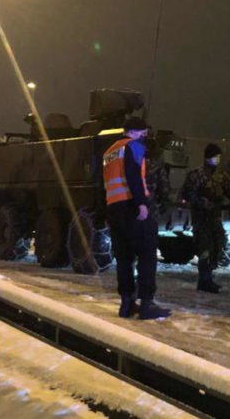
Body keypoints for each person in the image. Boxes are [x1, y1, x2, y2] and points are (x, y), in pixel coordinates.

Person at [103, 117, 170, 320]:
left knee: (124, 258)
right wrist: (141, 203)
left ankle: (126, 304)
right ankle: (147, 303)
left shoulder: (110, 151)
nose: (145, 137)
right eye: (144, 133)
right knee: (147, 253)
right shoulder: (134, 146)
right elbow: (133, 175)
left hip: (114, 207)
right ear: (137, 132)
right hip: (132, 206)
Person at [181, 143, 230, 293]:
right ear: (208, 157)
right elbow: (187, 194)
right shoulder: (196, 174)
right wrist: (201, 202)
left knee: (218, 244)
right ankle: (204, 280)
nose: (218, 159)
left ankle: (209, 277)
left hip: (215, 215)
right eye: (215, 156)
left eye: (219, 156)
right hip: (201, 216)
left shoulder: (221, 175)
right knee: (204, 247)